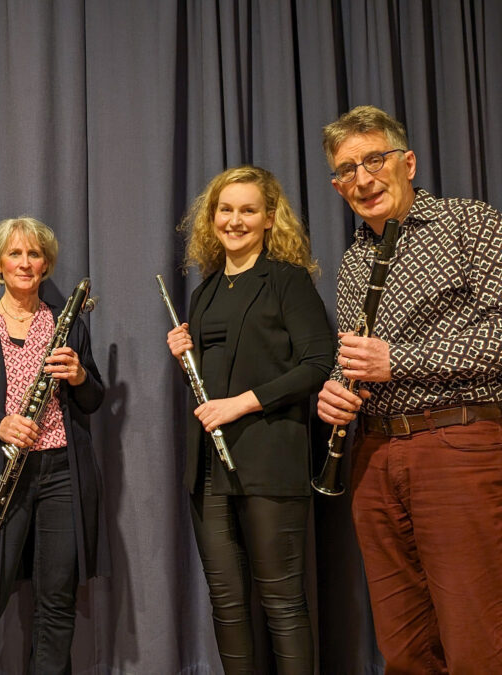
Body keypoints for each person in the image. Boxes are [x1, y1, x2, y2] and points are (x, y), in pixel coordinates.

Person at [316, 105, 502, 673]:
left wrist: (400, 360)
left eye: (375, 159)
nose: (363, 179)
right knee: (404, 648)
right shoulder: (353, 261)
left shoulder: (471, 223)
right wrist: (336, 388)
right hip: (373, 457)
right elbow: (362, 363)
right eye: (346, 170)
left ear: (409, 162)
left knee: (477, 641)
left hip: (458, 445)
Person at [165, 166, 334, 673]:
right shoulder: (206, 291)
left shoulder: (287, 280)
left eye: (248, 210)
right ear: (211, 217)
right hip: (210, 469)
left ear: (268, 219)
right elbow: (213, 383)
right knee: (227, 603)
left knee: (282, 604)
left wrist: (241, 403)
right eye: (226, 209)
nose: (235, 220)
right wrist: (186, 360)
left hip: (269, 461)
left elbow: (317, 364)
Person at [0, 217, 106, 674]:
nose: (25, 263)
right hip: (1, 473)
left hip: (62, 474)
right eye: (15, 253)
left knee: (56, 603)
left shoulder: (68, 325)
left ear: (46, 264)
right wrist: (0, 424)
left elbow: (93, 400)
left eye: (34, 254)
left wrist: (81, 376)